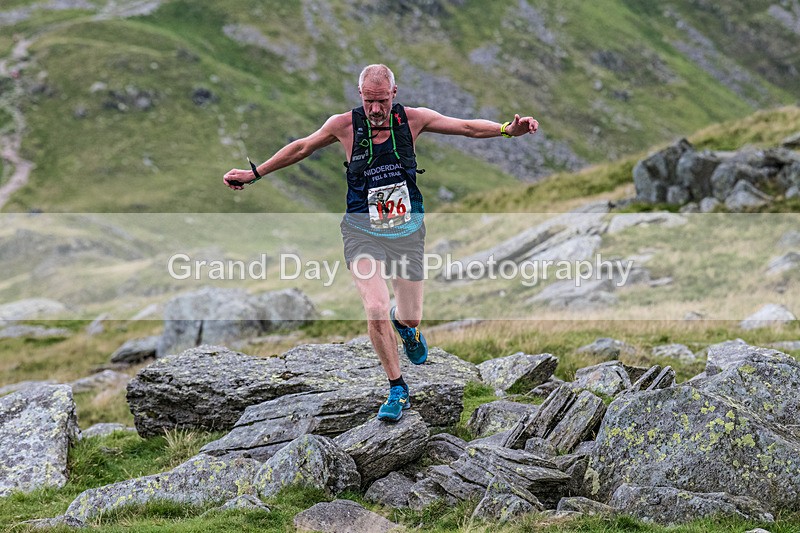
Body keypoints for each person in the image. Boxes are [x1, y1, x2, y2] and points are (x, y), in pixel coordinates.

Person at [224, 64, 538, 422]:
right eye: (369, 102)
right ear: (361, 96)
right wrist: (255, 173)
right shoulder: (343, 125)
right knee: (375, 306)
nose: (375, 110)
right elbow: (301, 148)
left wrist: (506, 130)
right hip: (362, 230)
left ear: (394, 94)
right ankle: (397, 388)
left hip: (405, 231)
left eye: (382, 102)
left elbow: (465, 127)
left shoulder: (412, 120)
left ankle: (404, 327)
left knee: (410, 314)